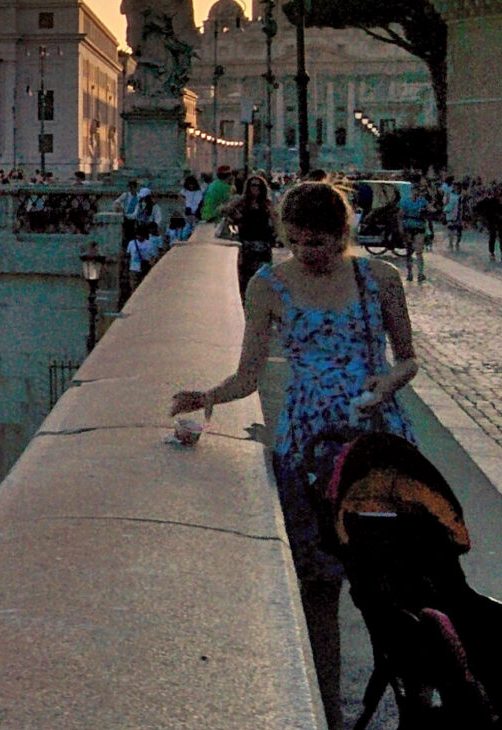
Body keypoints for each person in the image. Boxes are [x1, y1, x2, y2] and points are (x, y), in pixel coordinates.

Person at [171, 180, 418, 587]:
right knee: (316, 579)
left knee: (386, 581)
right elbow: (249, 376)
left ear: (343, 233)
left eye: (318, 242)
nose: (305, 253)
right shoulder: (267, 285)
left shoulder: (380, 277)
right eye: (295, 242)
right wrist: (207, 397)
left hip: (376, 439)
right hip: (307, 444)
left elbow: (408, 360)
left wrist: (389, 382)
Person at [226, 173, 276, 297]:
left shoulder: (267, 204)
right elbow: (226, 212)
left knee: (263, 276)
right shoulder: (241, 202)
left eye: (259, 186)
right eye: (253, 185)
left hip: (263, 244)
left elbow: (275, 220)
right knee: (246, 277)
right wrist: (236, 218)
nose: (256, 188)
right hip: (246, 244)